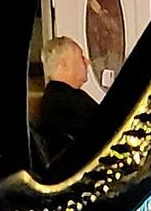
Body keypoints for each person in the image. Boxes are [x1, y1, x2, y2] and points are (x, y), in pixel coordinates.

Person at [30, 35, 101, 177]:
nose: (87, 61)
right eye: (81, 57)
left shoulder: (61, 97)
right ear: (63, 64)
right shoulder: (63, 102)